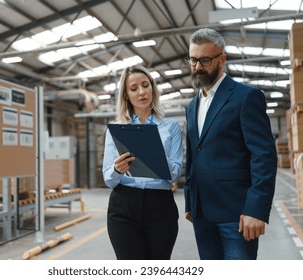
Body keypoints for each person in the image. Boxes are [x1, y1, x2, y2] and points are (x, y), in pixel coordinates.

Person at [183, 28, 277, 260]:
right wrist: (189, 200)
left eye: (204, 60)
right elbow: (193, 155)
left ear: (222, 59)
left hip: (236, 214)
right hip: (202, 213)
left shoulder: (246, 97)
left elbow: (263, 156)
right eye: (193, 60)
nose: (197, 67)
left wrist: (256, 209)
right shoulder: (192, 106)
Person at [102, 65, 183, 260]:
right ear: (126, 95)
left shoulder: (171, 127)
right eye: (134, 88)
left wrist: (155, 157)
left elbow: (176, 173)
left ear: (153, 89)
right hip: (124, 205)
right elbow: (108, 179)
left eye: (146, 85)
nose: (141, 92)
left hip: (160, 206)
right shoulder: (116, 129)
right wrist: (117, 169)